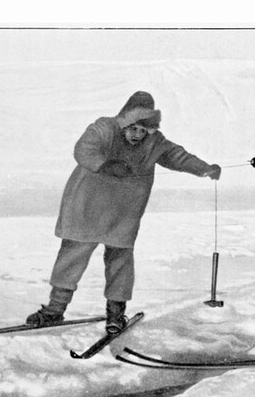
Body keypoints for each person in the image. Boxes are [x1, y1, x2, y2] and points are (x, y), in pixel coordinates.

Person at [27, 91, 221, 334]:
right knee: (72, 258)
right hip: (87, 207)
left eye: (144, 131)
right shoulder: (104, 128)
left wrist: (205, 169)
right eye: (134, 129)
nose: (138, 135)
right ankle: (54, 310)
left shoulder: (155, 143)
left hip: (123, 214)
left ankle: (116, 314)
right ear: (125, 122)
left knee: (120, 262)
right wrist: (105, 165)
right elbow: (84, 149)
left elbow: (178, 157)